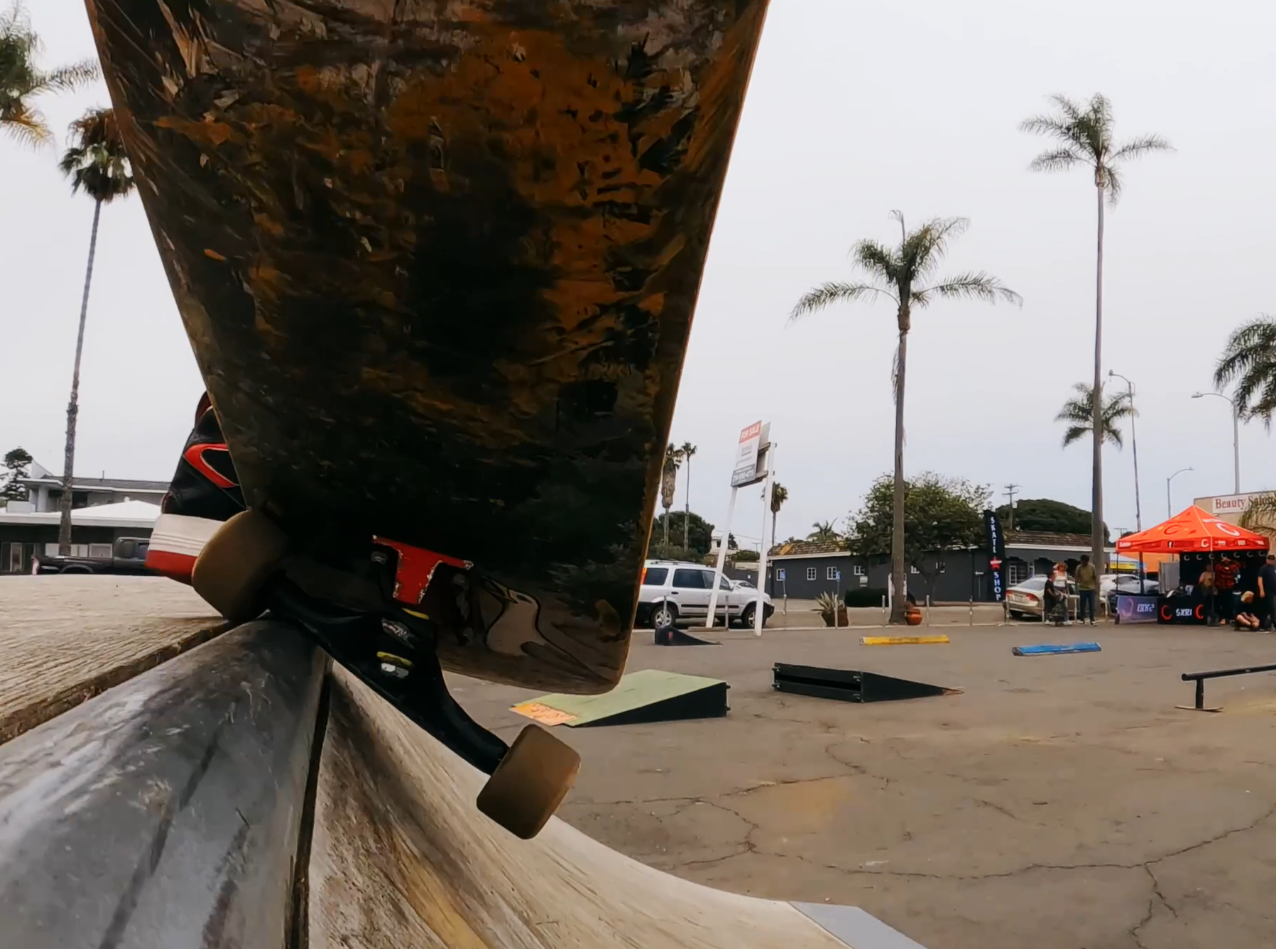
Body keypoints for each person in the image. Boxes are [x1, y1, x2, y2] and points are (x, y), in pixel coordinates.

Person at [1043, 562, 1071, 626]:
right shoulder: (1055, 572)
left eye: (1063, 567)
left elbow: (1066, 583)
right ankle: (1052, 619)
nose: (1062, 568)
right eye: (1061, 566)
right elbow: (1051, 579)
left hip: (1063, 589)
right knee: (1056, 605)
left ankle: (1066, 619)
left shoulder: (1065, 573)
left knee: (1064, 605)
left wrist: (1067, 590)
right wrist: (1055, 566)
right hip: (1056, 588)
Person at [1214, 555, 1239, 625]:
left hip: (1229, 588)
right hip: (1221, 588)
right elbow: (1218, 569)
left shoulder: (1232, 567)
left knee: (1229, 604)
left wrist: (1231, 561)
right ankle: (1223, 618)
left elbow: (1237, 566)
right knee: (1221, 604)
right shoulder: (1219, 567)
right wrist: (1222, 562)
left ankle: (1229, 618)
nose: (1226, 560)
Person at [1074, 554, 1098, 626]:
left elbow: (1095, 577)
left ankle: (1092, 619)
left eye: (1085, 561)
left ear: (1087, 561)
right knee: (1082, 604)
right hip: (1082, 588)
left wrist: (1096, 588)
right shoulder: (1079, 567)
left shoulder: (1092, 567)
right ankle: (1082, 619)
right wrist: (1077, 587)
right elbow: (1076, 577)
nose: (1083, 563)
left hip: (1091, 588)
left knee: (1091, 604)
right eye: (1082, 561)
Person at [1259, 554, 1276, 631]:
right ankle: (1264, 624)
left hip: (1274, 590)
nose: (1271, 561)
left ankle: (1273, 623)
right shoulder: (1263, 568)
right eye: (1269, 560)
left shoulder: (1274, 568)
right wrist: (1261, 590)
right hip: (1267, 590)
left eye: (1272, 560)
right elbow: (1260, 579)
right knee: (1268, 607)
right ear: (1266, 560)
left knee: (1273, 607)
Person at [1197, 561, 1216, 625]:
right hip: (1205, 590)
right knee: (1206, 604)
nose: (1209, 568)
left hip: (1213, 591)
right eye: (1208, 566)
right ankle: (1206, 618)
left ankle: (1213, 617)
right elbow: (1200, 582)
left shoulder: (1213, 573)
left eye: (1210, 566)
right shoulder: (1204, 574)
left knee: (1213, 604)